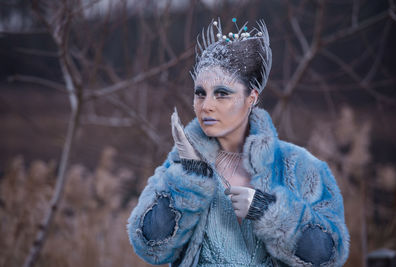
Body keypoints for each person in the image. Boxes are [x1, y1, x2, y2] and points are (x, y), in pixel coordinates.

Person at [127, 18, 349, 267]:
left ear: (251, 97)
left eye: (222, 93)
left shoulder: (299, 167)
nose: (206, 105)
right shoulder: (181, 166)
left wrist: (269, 212)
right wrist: (188, 182)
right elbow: (149, 247)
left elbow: (328, 255)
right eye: (200, 93)